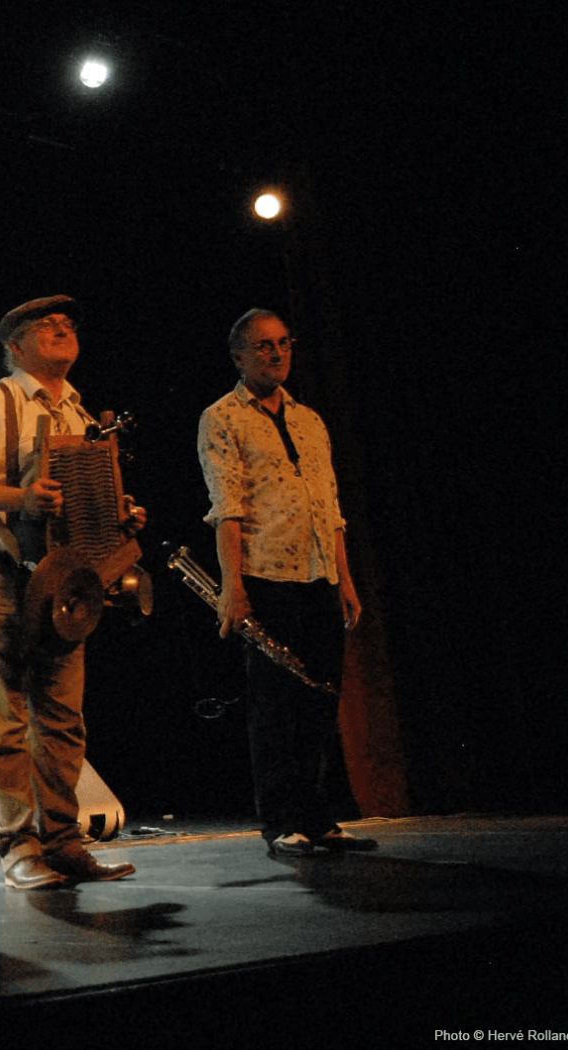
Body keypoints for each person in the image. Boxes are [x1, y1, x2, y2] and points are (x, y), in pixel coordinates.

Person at [0, 296, 139, 891]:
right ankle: (18, 845)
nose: (62, 328)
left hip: (61, 582)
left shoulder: (81, 413)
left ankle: (63, 842)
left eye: (68, 323)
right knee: (2, 719)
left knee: (62, 719)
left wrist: (119, 515)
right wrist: (20, 499)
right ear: (14, 345)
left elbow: (87, 495)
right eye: (46, 325)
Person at [197, 309, 373, 857]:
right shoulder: (222, 418)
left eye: (283, 343)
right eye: (263, 346)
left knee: (321, 699)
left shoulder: (309, 419)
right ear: (239, 357)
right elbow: (227, 509)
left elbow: (330, 507)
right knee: (275, 705)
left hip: (319, 573)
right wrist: (232, 586)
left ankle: (318, 817)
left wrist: (344, 579)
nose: (276, 354)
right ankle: (281, 821)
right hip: (266, 574)